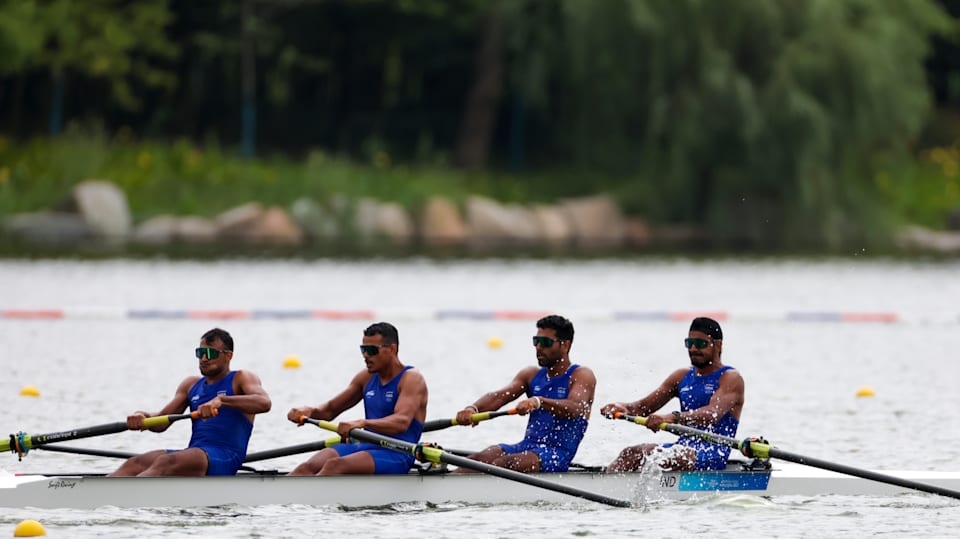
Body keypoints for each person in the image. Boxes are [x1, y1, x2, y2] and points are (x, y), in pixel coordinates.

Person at [109, 328, 272, 476]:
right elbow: (161, 422)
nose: (204, 358)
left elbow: (264, 403)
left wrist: (221, 401)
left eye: (211, 353)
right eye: (200, 352)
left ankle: (128, 497)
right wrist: (142, 416)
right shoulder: (191, 385)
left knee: (166, 462)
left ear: (228, 356)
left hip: (224, 456)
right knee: (135, 463)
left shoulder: (241, 378)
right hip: (195, 454)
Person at [453, 314, 596, 473]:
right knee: (479, 459)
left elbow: (576, 408)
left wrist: (539, 401)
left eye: (546, 342)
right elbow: (499, 396)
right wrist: (473, 408)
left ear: (565, 345)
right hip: (527, 446)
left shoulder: (581, 375)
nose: (539, 347)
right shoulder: (531, 375)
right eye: (536, 341)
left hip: (557, 453)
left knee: (504, 464)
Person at [601, 316, 744, 472]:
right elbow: (642, 407)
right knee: (631, 454)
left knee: (666, 458)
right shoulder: (681, 376)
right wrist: (622, 407)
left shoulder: (730, 378)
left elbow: (712, 414)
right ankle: (601, 488)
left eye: (701, 344)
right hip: (681, 448)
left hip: (713, 453)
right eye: (690, 343)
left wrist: (673, 417)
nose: (694, 349)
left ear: (718, 345)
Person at [286, 322, 428, 475]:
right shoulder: (366, 377)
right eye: (363, 350)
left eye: (372, 350)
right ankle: (284, 498)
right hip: (364, 446)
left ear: (392, 349)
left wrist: (362, 423)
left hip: (397, 452)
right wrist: (309, 410)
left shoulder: (411, 379)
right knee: (305, 468)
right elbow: (330, 410)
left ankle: (312, 496)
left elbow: (401, 422)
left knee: (334, 466)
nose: (366, 356)